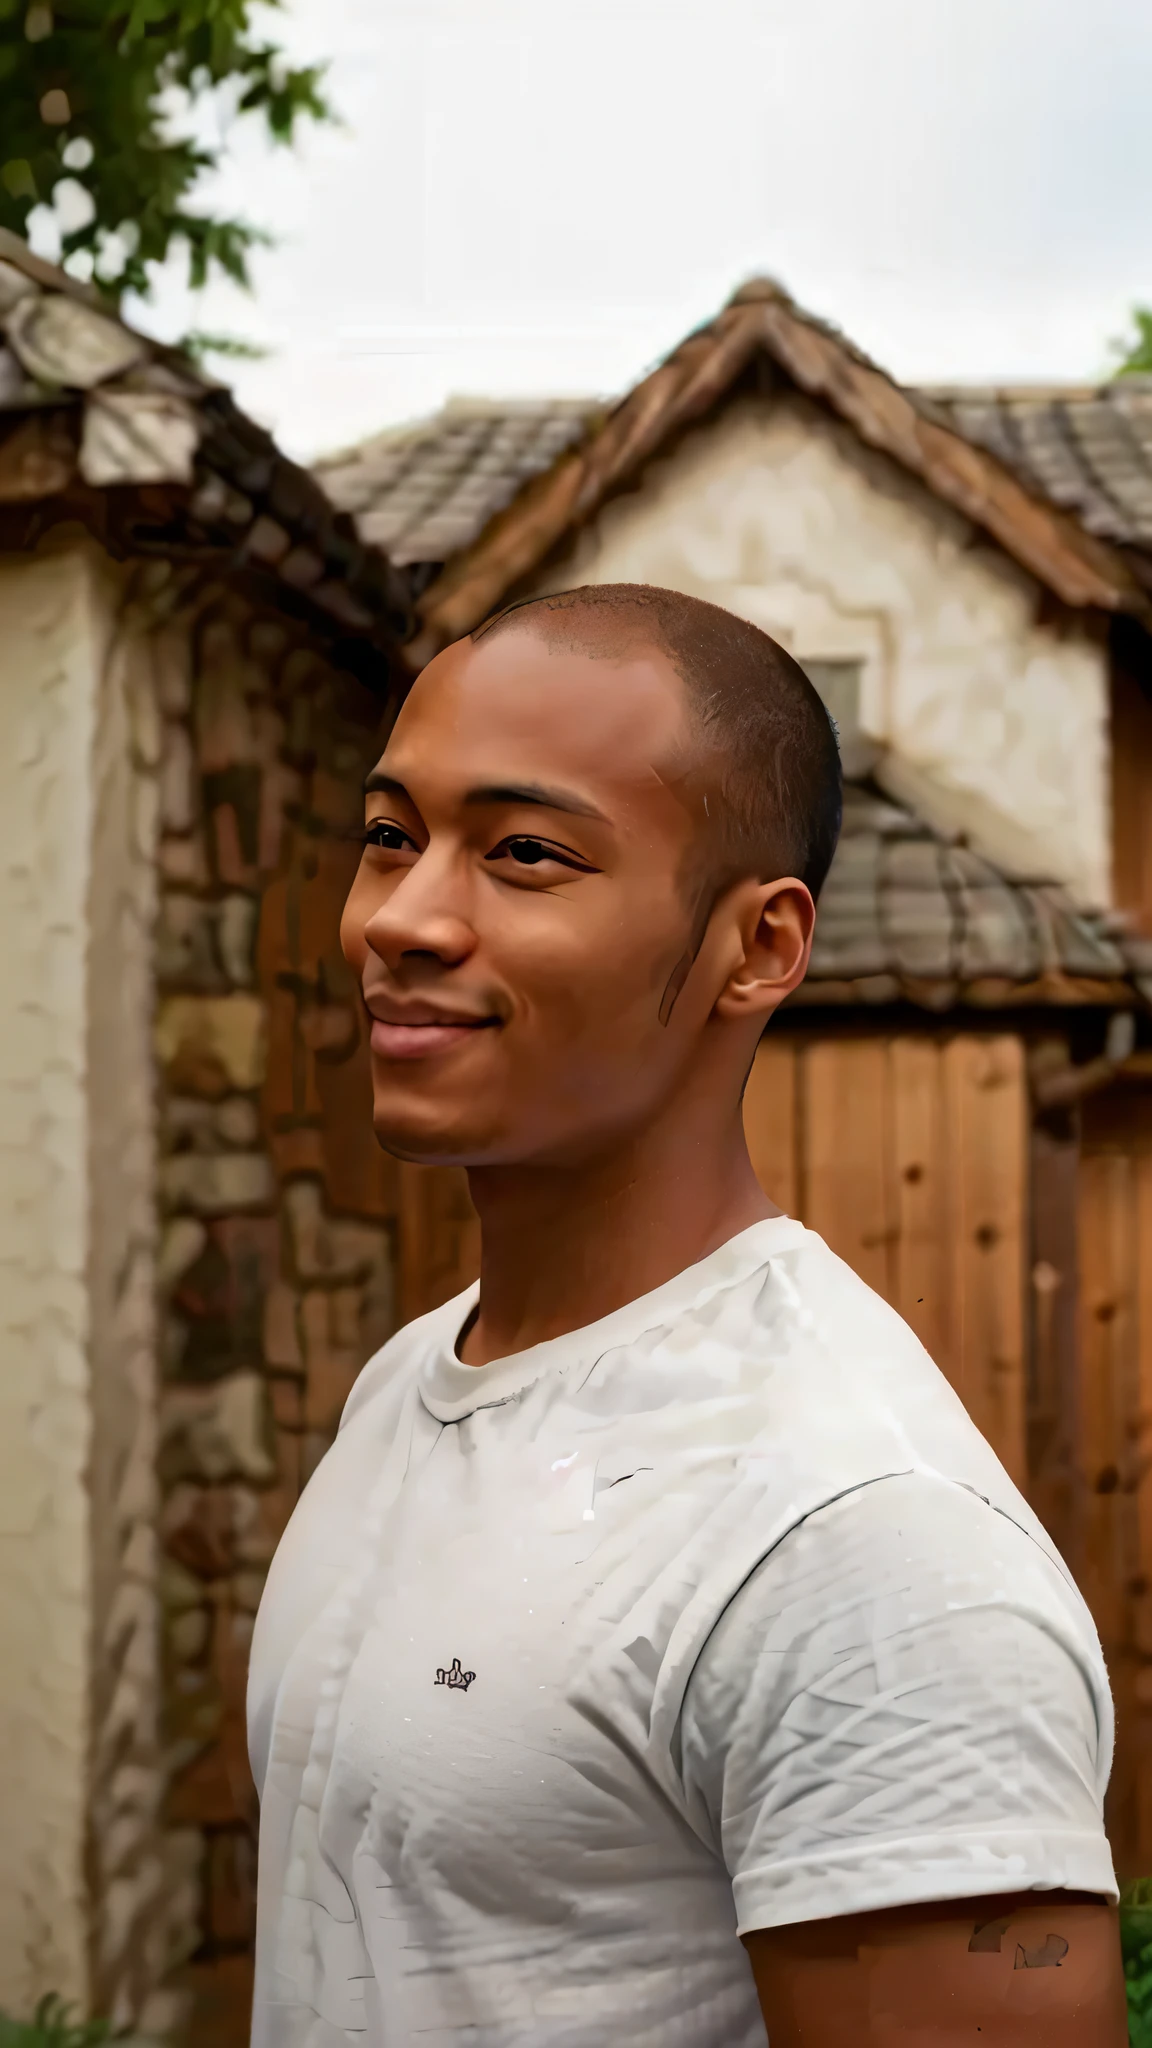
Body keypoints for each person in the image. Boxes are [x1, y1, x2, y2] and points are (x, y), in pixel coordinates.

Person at [247, 584, 1126, 2045]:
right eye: (393, 835)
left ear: (759, 947)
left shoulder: (858, 1542)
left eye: (524, 854)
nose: (401, 919)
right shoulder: (413, 1380)